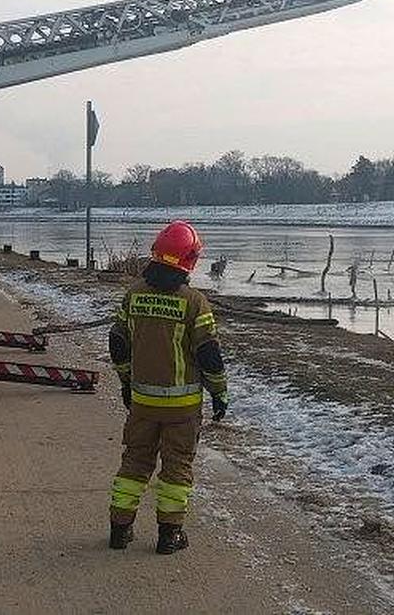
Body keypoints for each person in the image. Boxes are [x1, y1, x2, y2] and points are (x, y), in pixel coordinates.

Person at [107, 221, 228, 554]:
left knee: (134, 463)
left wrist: (126, 381)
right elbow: (209, 355)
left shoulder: (133, 295)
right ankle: (169, 535)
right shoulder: (194, 302)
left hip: (142, 402)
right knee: (176, 469)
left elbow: (117, 342)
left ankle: (120, 530)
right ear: (190, 260)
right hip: (182, 409)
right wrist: (219, 392)